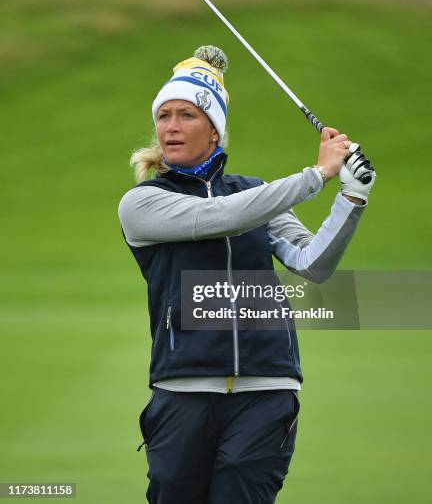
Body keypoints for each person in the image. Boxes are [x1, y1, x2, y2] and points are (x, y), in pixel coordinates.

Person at [118, 45, 375, 504]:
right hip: (184, 387)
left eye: (186, 115)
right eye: (163, 116)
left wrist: (350, 199)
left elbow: (311, 263)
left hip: (267, 386)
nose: (170, 127)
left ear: (214, 130)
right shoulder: (143, 203)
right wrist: (316, 175)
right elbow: (221, 217)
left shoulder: (256, 192)